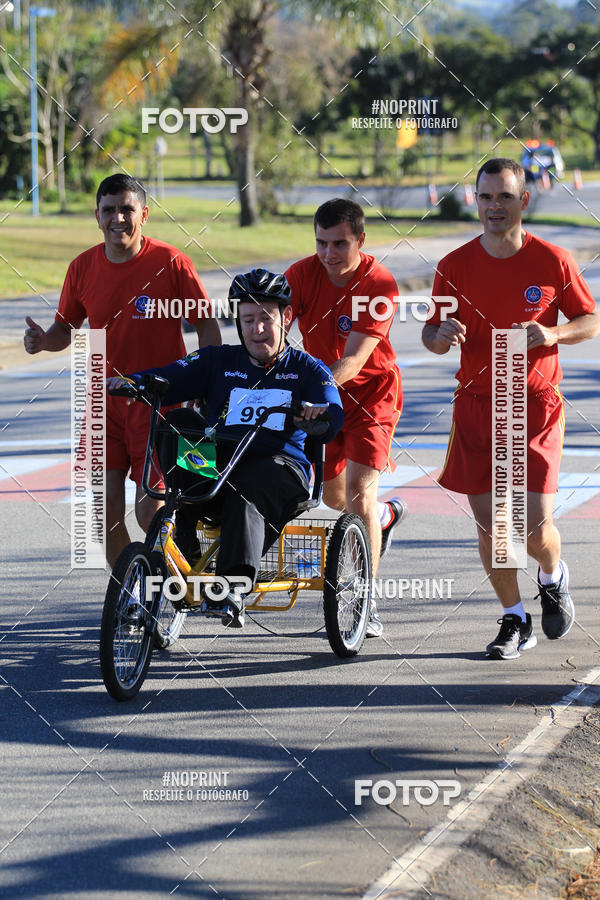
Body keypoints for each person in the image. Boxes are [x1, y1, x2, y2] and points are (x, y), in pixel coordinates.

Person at [423, 157, 600, 660]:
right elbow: (431, 335)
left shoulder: (552, 260)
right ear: (473, 201)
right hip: (478, 406)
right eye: (485, 196)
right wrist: (441, 335)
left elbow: (590, 319)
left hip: (536, 404)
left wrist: (555, 333)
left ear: (523, 200)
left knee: (534, 525)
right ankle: (514, 618)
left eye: (504, 196)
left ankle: (553, 575)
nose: (493, 206)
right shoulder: (454, 265)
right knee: (492, 526)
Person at [108, 269, 345, 628]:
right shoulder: (217, 361)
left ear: (286, 318)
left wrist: (320, 414)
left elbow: (332, 409)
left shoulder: (307, 369)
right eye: (248, 320)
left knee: (246, 488)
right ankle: (178, 567)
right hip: (220, 467)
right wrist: (134, 383)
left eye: (266, 319)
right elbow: (169, 376)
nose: (257, 329)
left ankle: (232, 587)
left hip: (280, 470)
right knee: (178, 442)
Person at [23, 174, 221, 567]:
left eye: (127, 209)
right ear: (97, 216)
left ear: (144, 215)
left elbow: (205, 323)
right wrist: (43, 341)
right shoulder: (81, 268)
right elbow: (65, 329)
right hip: (104, 404)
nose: (118, 218)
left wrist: (205, 377)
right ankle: (131, 597)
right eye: (109, 210)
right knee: (104, 512)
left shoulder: (171, 262)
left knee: (152, 511)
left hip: (163, 403)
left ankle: (182, 577)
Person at [286, 198, 406, 638]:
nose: (328, 254)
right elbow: (275, 327)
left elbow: (353, 360)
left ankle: (366, 601)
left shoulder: (379, 283)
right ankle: (385, 518)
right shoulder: (301, 274)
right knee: (333, 498)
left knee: (357, 493)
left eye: (339, 244)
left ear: (360, 240)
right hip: (322, 401)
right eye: (321, 243)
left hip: (371, 397)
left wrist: (315, 387)